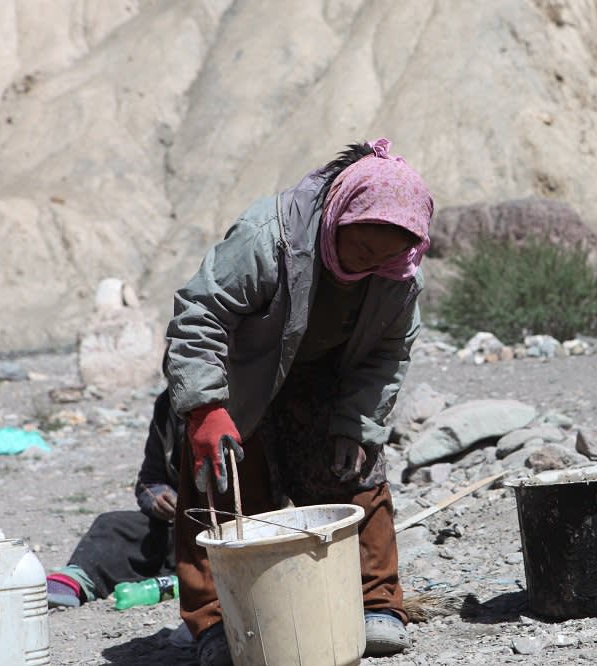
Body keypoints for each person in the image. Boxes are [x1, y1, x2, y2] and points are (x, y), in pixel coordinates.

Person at [164, 138, 433, 665]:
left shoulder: (398, 274)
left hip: (325, 382)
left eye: (387, 254)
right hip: (242, 379)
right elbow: (200, 313)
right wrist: (204, 408)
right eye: (362, 248)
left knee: (356, 474)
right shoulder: (270, 237)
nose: (371, 263)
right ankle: (219, 623)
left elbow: (387, 353)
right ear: (340, 215)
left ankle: (375, 605)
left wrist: (358, 422)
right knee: (222, 490)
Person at [46, 390, 182, 608]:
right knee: (112, 526)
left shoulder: (243, 405)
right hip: (180, 527)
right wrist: (159, 499)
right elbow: (151, 479)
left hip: (233, 527)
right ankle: (77, 580)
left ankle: (182, 580)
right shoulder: (169, 407)